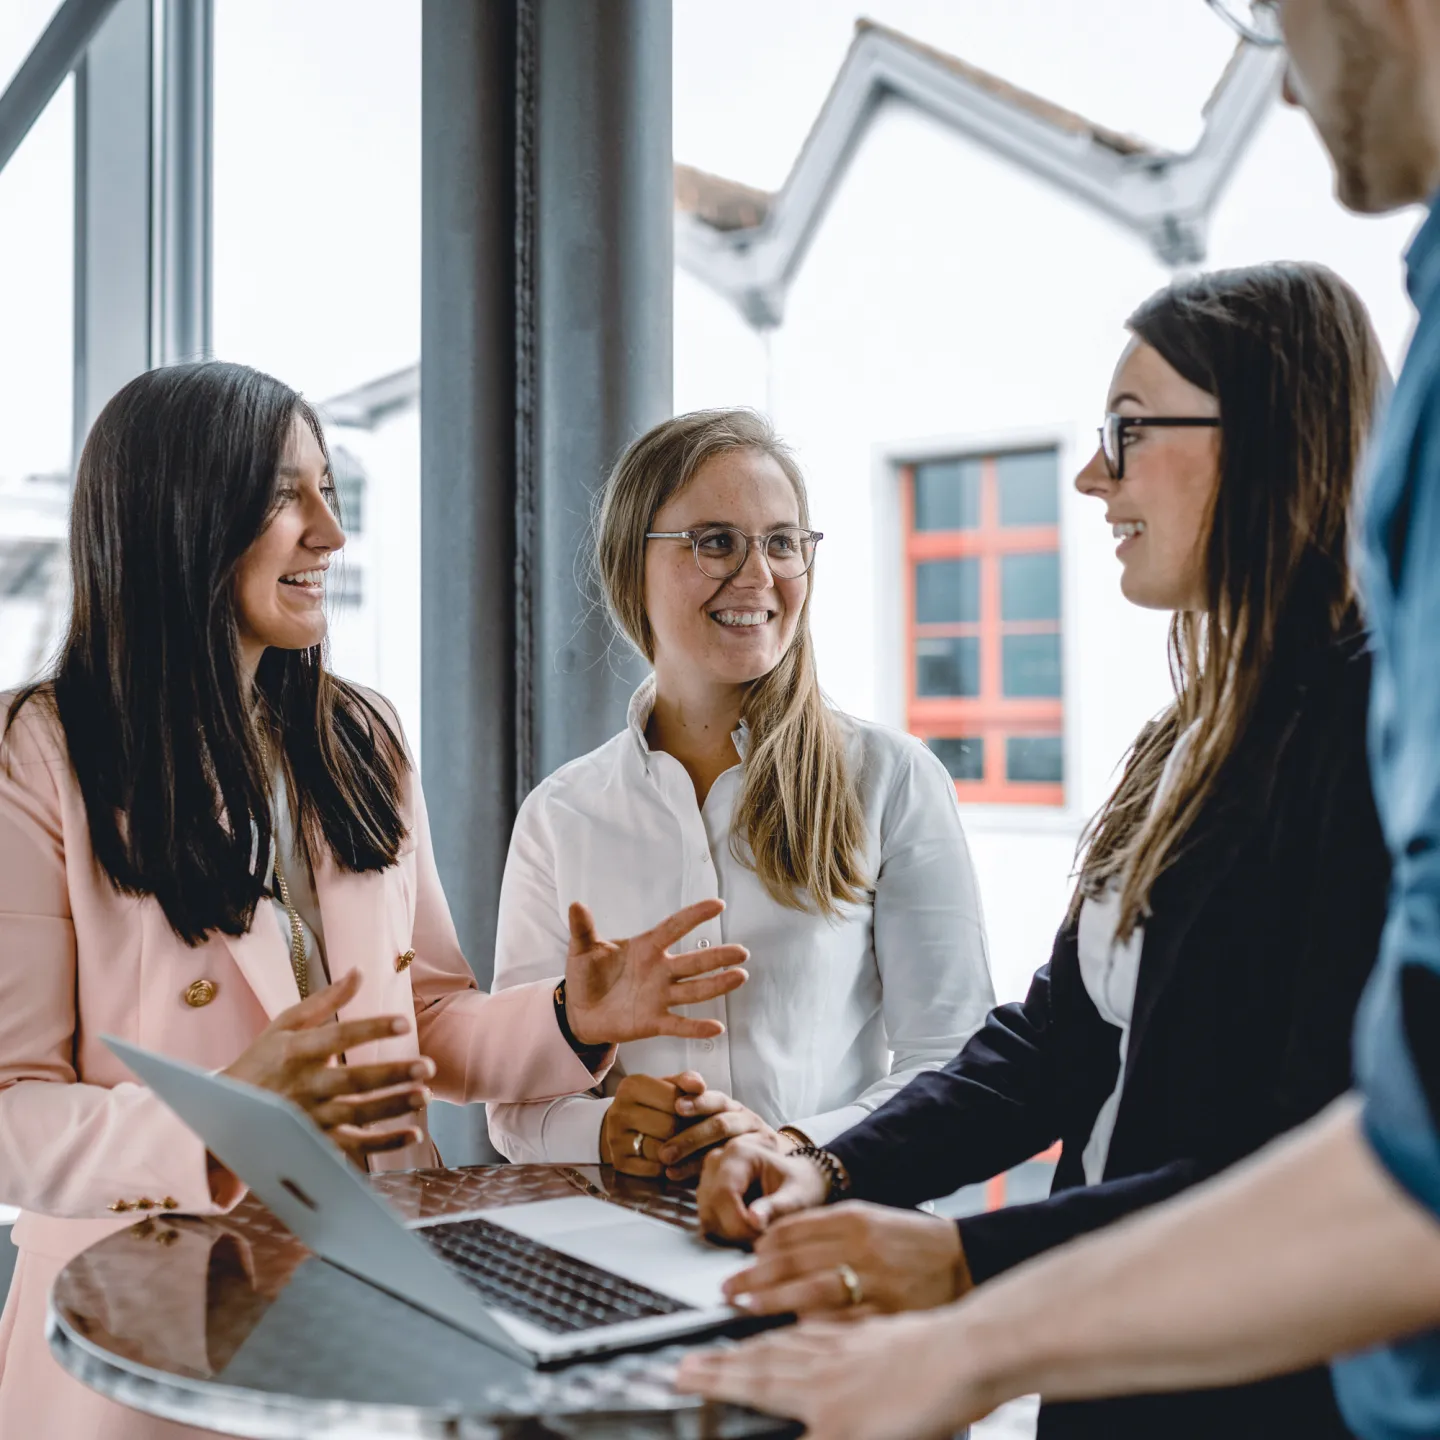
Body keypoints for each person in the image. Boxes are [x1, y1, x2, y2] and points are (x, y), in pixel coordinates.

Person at [678, 2, 1440, 1436]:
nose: (1094, 481)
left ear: (1266, 442)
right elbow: (1051, 1044)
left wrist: (969, 1271)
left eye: (1130, 431)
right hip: (1113, 1388)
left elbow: (1317, 1151)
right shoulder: (1191, 732)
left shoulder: (1362, 735)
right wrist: (832, 1168)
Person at [0, 361, 749, 1440]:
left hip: (382, 1287)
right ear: (175, 515)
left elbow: (429, 1024)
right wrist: (219, 1128)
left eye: (330, 493)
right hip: (152, 1327)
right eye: (280, 496)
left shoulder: (362, 737)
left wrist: (569, 1017)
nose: (328, 535)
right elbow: (11, 1107)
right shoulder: (42, 754)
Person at [486, 408, 993, 1180]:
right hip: (621, 1252)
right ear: (632, 563)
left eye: (783, 543)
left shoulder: (891, 778)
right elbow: (515, 1110)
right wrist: (610, 1130)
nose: (758, 576)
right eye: (715, 542)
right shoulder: (562, 815)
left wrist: (792, 1147)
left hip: (826, 1237)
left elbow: (952, 1062)